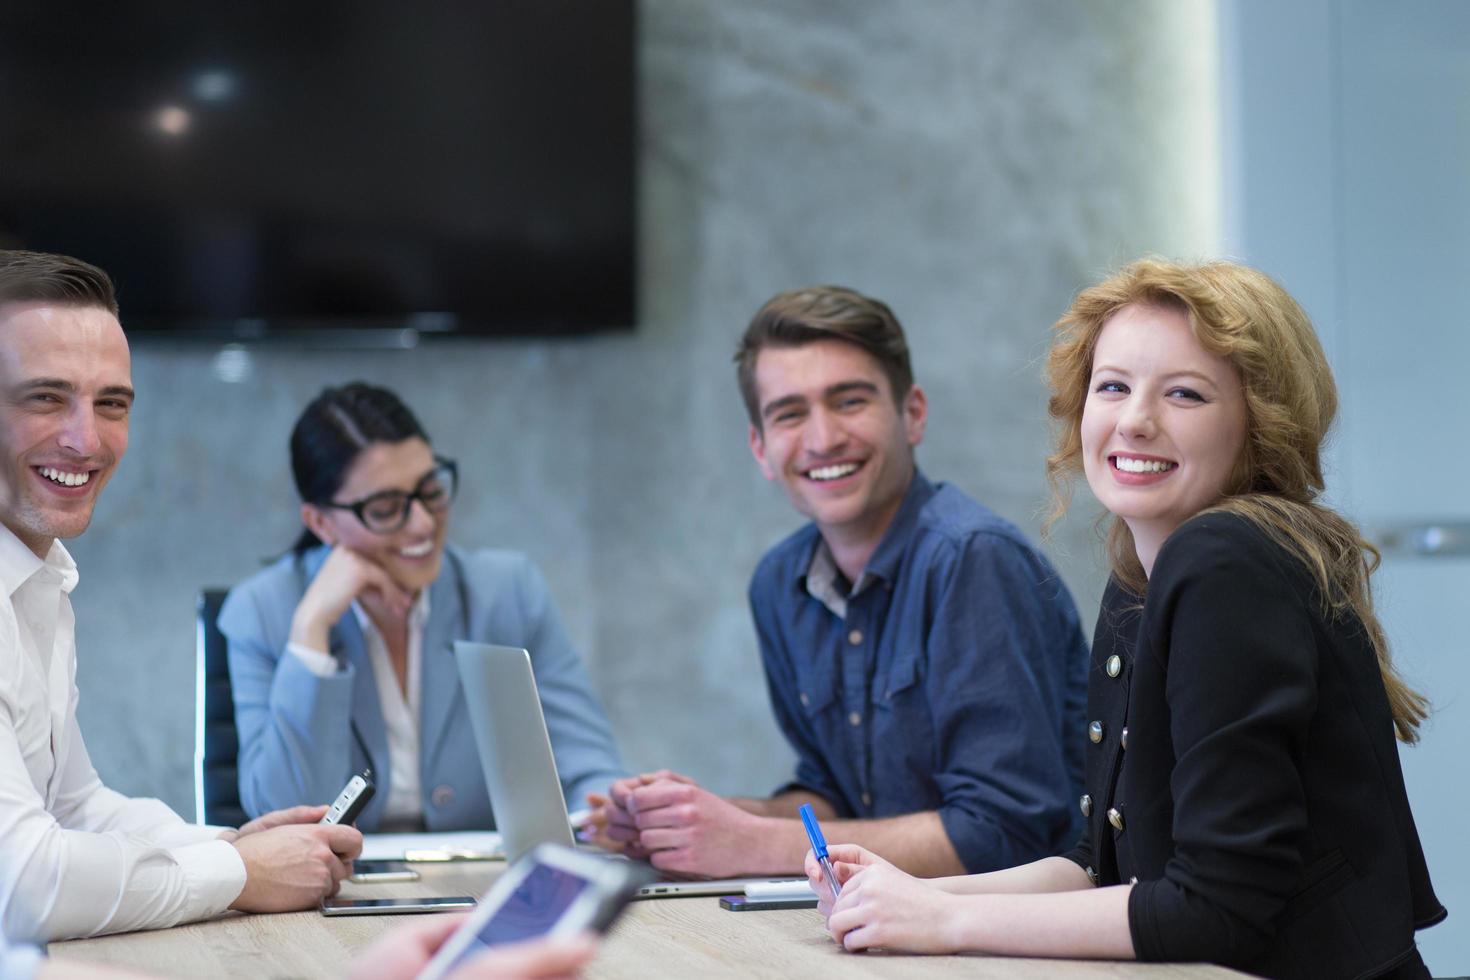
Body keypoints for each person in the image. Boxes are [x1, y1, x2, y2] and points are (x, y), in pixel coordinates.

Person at [807, 259, 1446, 978]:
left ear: (1261, 423)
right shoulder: (1144, 571)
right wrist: (904, 894)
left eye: (1185, 394)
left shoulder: (1222, 560)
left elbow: (1215, 909)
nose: (1136, 420)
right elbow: (1101, 868)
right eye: (1112, 386)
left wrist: (943, 919)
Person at [599, 286, 1088, 878]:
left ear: (913, 413)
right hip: (885, 928)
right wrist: (693, 820)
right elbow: (838, 800)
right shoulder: (779, 584)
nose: (823, 438)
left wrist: (752, 845)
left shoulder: (973, 561)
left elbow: (1005, 835)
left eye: (849, 401)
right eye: (789, 413)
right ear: (759, 446)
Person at [0, 250, 362, 945]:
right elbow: (21, 884)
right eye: (45, 397)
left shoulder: (40, 577)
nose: (87, 438)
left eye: (112, 403)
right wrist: (236, 871)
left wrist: (231, 843)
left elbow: (76, 808)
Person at [219, 383, 624, 832]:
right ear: (321, 523)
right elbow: (282, 816)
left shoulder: (507, 591)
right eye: (387, 508)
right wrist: (312, 632)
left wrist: (604, 816)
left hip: (483, 883)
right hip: (338, 891)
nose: (424, 524)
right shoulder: (261, 611)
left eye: (430, 490)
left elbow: (585, 763)